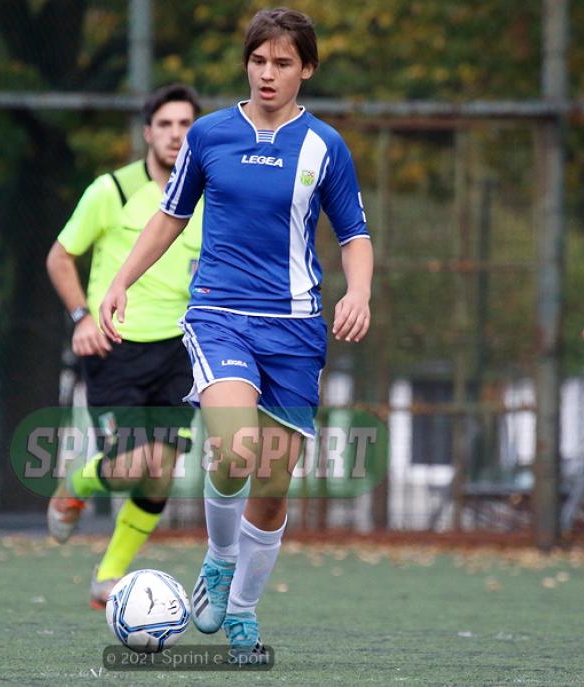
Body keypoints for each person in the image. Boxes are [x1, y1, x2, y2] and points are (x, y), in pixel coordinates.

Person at [99, 8, 372, 660]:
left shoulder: (325, 146)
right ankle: (220, 557)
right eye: (258, 60)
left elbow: (354, 234)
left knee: (272, 489)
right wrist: (121, 281)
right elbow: (170, 217)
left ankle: (243, 608)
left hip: (296, 329)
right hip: (220, 316)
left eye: (283, 62)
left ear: (307, 68)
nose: (268, 73)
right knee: (234, 449)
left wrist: (359, 291)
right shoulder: (210, 134)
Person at [44, 84, 203, 609]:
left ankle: (108, 576)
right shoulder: (110, 191)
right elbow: (59, 257)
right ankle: (77, 484)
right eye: (166, 124)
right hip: (116, 346)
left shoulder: (208, 195)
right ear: (148, 133)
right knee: (131, 466)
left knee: (161, 471)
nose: (176, 134)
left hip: (180, 350)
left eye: (185, 125)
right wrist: (82, 317)